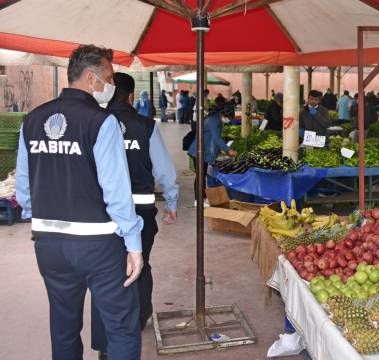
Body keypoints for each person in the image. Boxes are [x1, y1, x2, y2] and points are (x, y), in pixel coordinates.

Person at [15, 45, 143, 359]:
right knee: (121, 328)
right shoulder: (101, 122)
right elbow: (116, 191)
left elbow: (23, 190)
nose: (111, 87)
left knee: (63, 327)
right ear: (90, 78)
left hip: (49, 245)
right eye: (108, 78)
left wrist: (45, 219)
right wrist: (134, 244)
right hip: (98, 245)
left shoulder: (32, 120)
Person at [90, 73, 180, 358]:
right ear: (131, 96)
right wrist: (172, 202)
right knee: (142, 264)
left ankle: (109, 329)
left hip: (104, 216)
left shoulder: (94, 123)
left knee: (107, 273)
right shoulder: (146, 125)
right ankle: (140, 317)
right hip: (141, 214)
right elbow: (164, 169)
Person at [188, 104, 237, 207]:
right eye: (228, 118)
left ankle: (203, 198)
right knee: (200, 176)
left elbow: (212, 138)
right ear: (223, 114)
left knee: (202, 175)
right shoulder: (213, 121)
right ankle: (198, 200)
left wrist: (219, 150)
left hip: (203, 150)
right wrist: (228, 150)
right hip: (199, 151)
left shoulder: (216, 119)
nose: (228, 120)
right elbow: (216, 138)